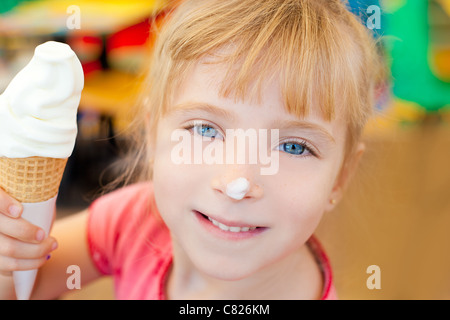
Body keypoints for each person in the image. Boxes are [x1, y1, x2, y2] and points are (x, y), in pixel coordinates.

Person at [0, 0, 385, 299]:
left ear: (340, 177)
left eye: (294, 146)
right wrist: (8, 254)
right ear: (153, 137)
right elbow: (25, 286)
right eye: (205, 129)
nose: (237, 181)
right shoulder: (131, 221)